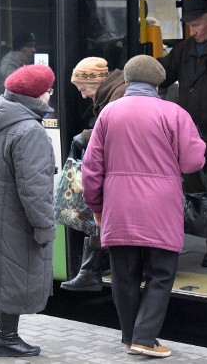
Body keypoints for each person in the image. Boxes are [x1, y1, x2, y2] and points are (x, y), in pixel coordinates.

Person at [82, 55, 206, 358]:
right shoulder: (174, 113)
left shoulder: (109, 113)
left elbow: (91, 168)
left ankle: (131, 337)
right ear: (159, 83)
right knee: (160, 274)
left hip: (119, 208)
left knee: (123, 276)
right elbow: (192, 161)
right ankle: (145, 339)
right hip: (161, 209)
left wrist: (96, 206)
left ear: (126, 80)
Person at [0, 64, 57, 358]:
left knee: (2, 270)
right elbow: (35, 188)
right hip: (17, 217)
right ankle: (7, 337)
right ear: (35, 96)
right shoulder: (30, 131)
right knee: (16, 270)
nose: (50, 94)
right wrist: (44, 225)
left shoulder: (1, 118)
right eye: (48, 90)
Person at [159, 0, 207, 267]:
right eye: (189, 25)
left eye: (197, 25)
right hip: (190, 136)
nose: (193, 31)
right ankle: (198, 239)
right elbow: (163, 73)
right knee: (196, 195)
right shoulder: (185, 50)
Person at [60, 57, 127, 292]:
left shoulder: (118, 95)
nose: (83, 95)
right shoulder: (111, 92)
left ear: (96, 81)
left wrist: (86, 136)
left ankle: (89, 273)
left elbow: (110, 130)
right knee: (99, 216)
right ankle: (89, 272)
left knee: (101, 215)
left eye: (83, 88)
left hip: (122, 171)